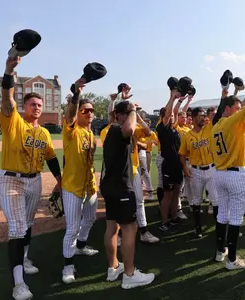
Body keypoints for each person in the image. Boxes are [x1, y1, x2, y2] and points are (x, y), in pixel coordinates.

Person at [0, 56, 61, 300]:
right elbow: (7, 99)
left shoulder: (44, 132)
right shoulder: (13, 121)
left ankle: (23, 260)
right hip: (11, 180)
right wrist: (8, 72)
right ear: (24, 107)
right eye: (32, 104)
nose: (37, 107)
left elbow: (51, 157)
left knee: (28, 225)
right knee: (17, 227)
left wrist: (59, 179)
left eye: (39, 104)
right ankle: (18, 284)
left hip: (34, 181)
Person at [210, 64, 245, 270]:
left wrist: (227, 93)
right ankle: (232, 260)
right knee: (234, 218)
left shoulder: (215, 125)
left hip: (220, 174)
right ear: (228, 109)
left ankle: (219, 252)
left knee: (222, 214)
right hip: (235, 174)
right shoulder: (232, 121)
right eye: (236, 107)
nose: (239, 110)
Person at [100, 100, 155, 289]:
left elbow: (145, 132)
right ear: (121, 115)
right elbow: (130, 129)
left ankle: (113, 267)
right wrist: (132, 110)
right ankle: (130, 275)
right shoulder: (118, 130)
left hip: (110, 186)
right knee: (130, 229)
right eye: (130, 113)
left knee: (112, 228)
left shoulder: (110, 131)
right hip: (121, 187)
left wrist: (132, 112)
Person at [60, 78, 99, 284]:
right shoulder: (71, 130)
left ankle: (82, 246)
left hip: (89, 185)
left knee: (91, 219)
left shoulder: (91, 133)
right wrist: (76, 95)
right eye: (85, 110)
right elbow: (70, 114)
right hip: (72, 186)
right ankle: (67, 265)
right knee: (72, 227)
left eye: (91, 110)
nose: (90, 113)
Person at [178, 107, 218, 238]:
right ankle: (198, 228)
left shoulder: (208, 128)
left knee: (215, 199)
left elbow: (215, 116)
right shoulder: (187, 136)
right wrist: (185, 167)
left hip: (211, 168)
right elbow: (182, 153)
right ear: (193, 118)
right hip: (196, 170)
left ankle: (219, 226)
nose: (203, 118)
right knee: (197, 200)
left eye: (204, 115)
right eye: (200, 116)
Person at [157, 91, 186, 233]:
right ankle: (164, 222)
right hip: (168, 165)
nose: (173, 117)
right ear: (163, 117)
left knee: (176, 193)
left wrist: (180, 101)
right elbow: (169, 113)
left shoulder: (174, 130)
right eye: (170, 116)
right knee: (167, 195)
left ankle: (174, 218)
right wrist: (172, 98)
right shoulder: (161, 129)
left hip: (177, 166)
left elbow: (173, 112)